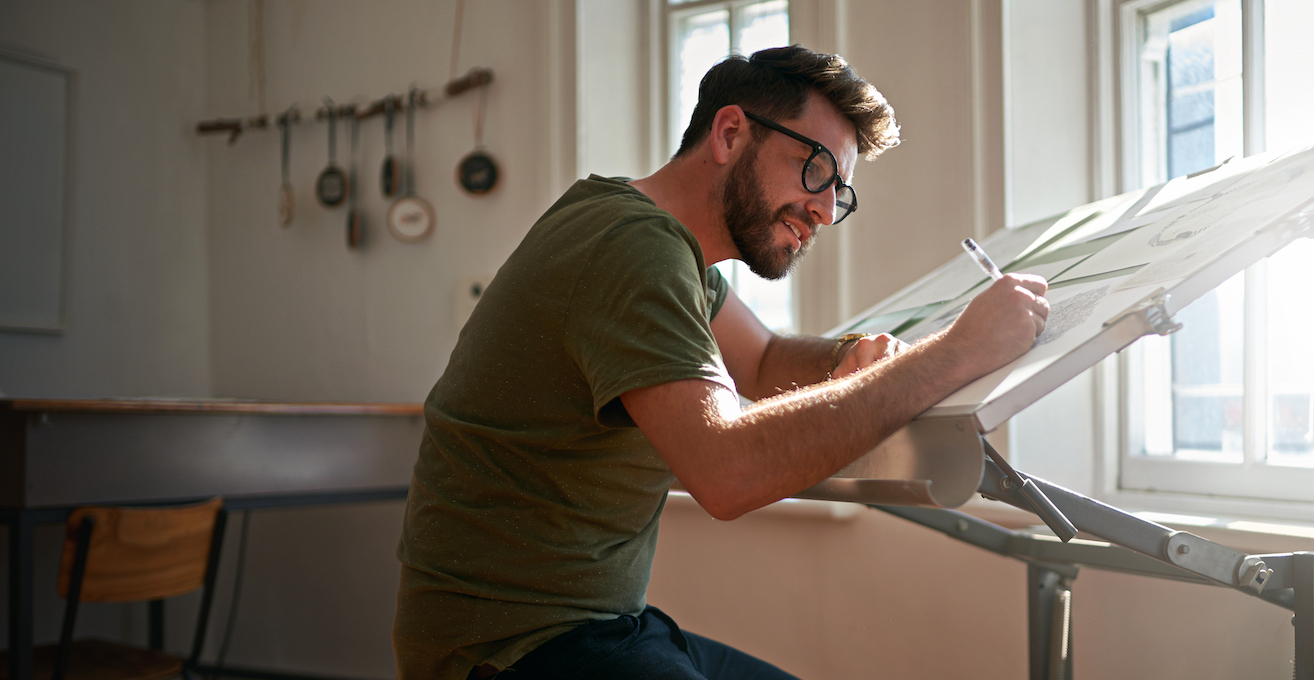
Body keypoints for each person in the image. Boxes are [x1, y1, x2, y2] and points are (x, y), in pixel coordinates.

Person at [393, 45, 1049, 680]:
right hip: (508, 648)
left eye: (839, 192)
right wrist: (956, 353)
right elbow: (729, 471)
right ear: (731, 132)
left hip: (593, 623)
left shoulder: (649, 236)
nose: (823, 209)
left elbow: (761, 360)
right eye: (815, 168)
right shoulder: (634, 250)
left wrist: (855, 357)